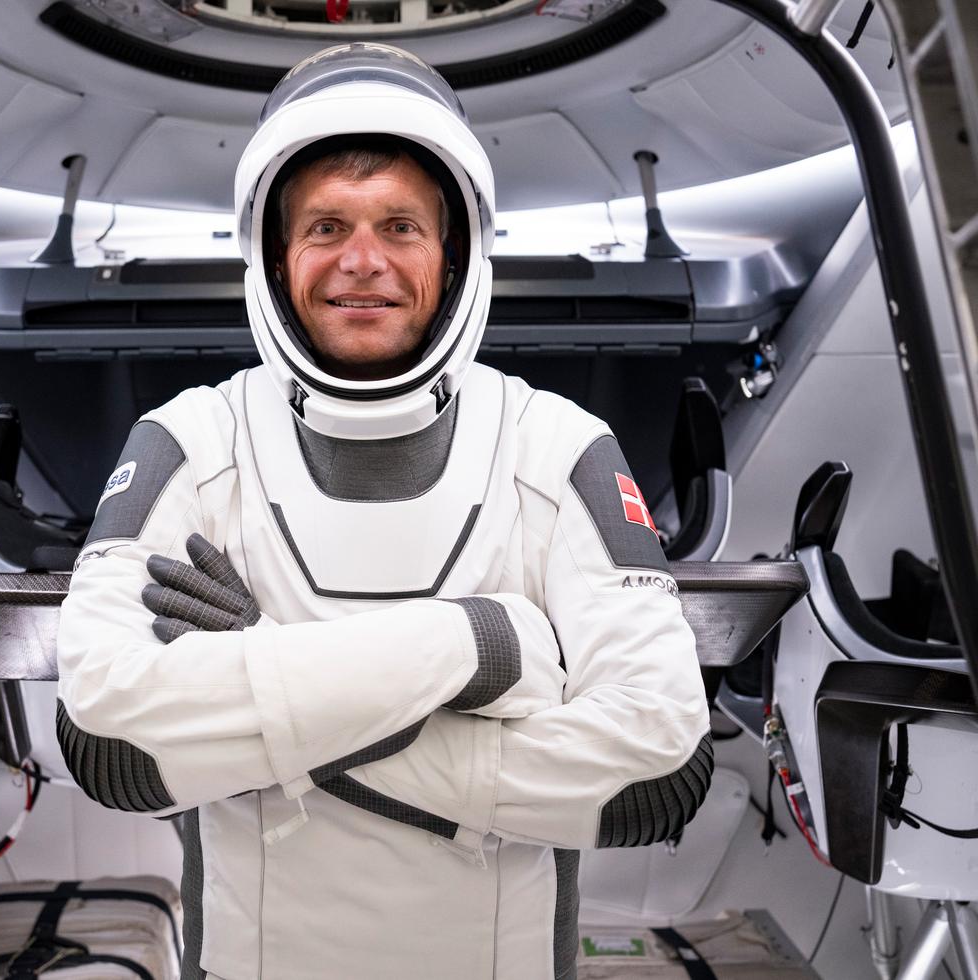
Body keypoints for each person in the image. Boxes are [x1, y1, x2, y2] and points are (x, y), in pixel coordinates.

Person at [56, 43, 710, 980]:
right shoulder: (192, 443)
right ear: (277, 260)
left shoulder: (558, 446)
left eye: (401, 226)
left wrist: (262, 669)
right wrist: (482, 648)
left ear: (454, 256)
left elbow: (657, 771)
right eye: (326, 227)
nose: (362, 262)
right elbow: (110, 744)